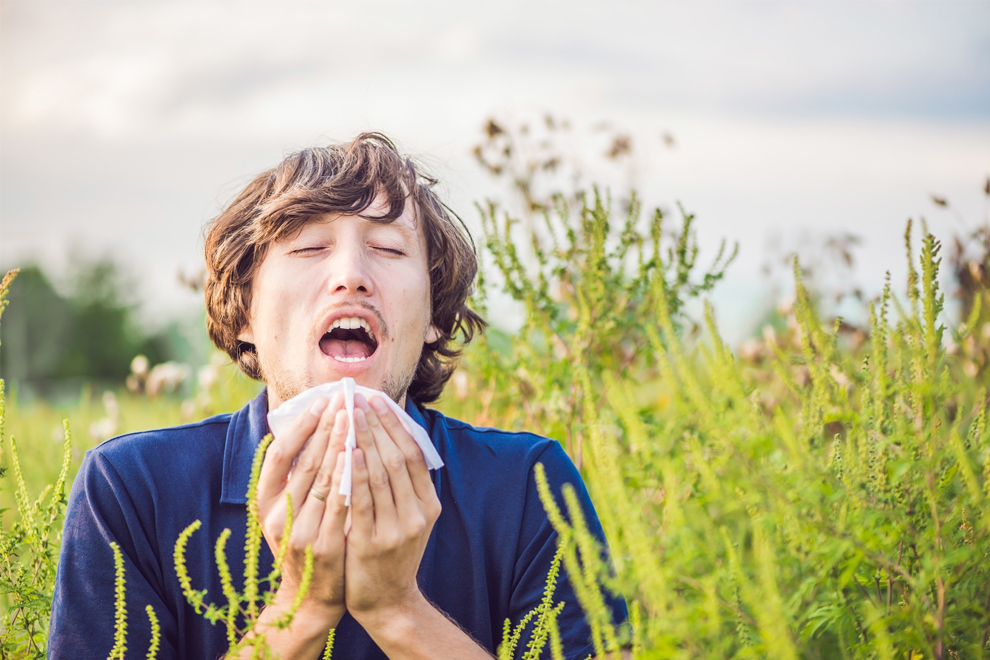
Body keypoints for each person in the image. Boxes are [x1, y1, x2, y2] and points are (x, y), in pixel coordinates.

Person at [49, 133, 626, 659]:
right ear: (245, 313)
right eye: (307, 248)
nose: (351, 275)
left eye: (390, 250)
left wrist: (398, 610)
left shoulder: (529, 487)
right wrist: (300, 611)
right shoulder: (132, 488)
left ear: (433, 315)